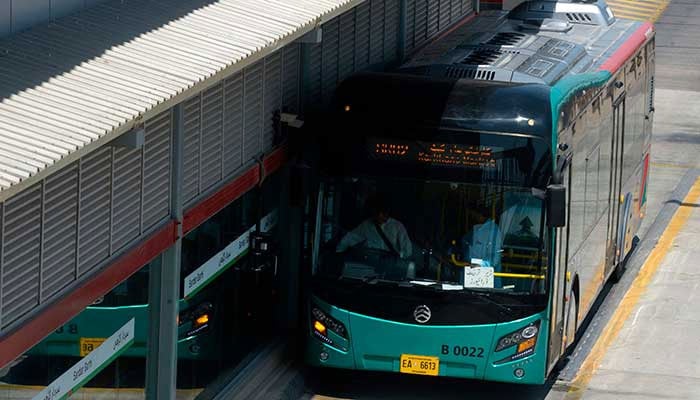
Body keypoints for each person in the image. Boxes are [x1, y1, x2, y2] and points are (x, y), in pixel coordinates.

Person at [336, 195, 412, 259]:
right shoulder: (366, 225)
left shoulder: (397, 226)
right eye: (377, 213)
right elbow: (350, 238)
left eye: (383, 212)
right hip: (371, 265)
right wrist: (338, 254)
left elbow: (407, 250)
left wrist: (397, 257)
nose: (380, 216)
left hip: (391, 266)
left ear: (387, 212)